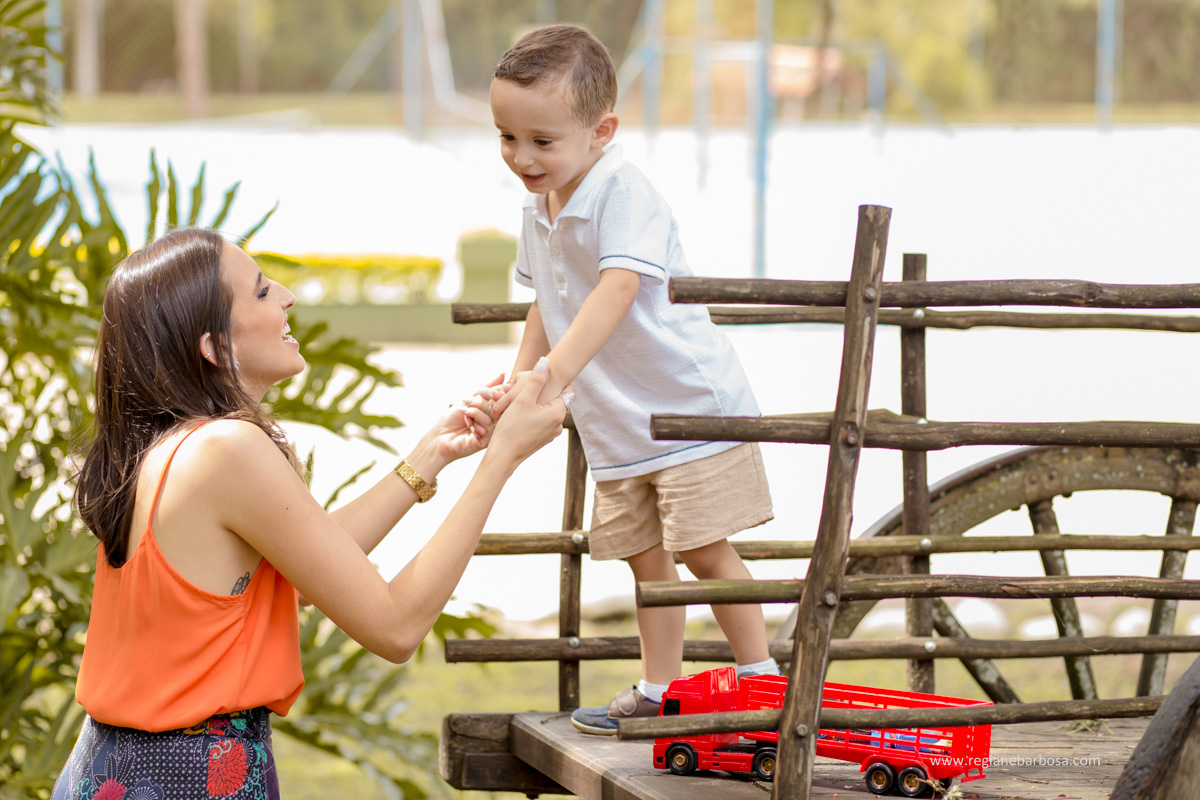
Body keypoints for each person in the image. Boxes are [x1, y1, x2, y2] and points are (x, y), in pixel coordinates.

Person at [52, 227, 569, 800]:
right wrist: (502, 459)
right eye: (263, 291)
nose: (288, 296)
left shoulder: (171, 447)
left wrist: (433, 454)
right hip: (188, 775)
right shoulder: (228, 448)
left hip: (113, 767)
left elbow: (301, 573)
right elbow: (396, 628)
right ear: (215, 346)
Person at [487, 24, 779, 736]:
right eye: (506, 137)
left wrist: (553, 375)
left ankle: (764, 679)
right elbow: (545, 303)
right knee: (644, 559)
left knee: (705, 549)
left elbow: (616, 290)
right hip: (618, 420)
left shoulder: (623, 190)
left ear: (601, 130)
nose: (522, 158)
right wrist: (519, 376)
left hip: (684, 407)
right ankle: (659, 688)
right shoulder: (540, 205)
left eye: (542, 141)